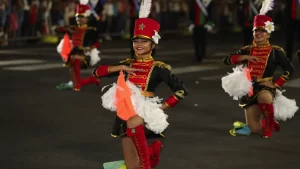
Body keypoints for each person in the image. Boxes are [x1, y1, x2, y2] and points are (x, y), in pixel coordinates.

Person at [93, 1, 188, 168]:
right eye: (136, 40)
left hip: (145, 112)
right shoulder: (127, 64)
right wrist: (121, 67)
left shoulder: (158, 68)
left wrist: (160, 108)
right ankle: (153, 150)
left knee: (133, 124)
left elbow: (181, 90)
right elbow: (97, 72)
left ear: (153, 44)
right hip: (125, 111)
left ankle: (147, 166)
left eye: (144, 41)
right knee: (132, 166)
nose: (139, 44)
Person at [222, 0, 297, 139]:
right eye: (256, 30)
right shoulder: (247, 50)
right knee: (254, 129)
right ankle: (269, 123)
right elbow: (226, 60)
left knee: (264, 96)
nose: (259, 33)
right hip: (250, 91)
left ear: (268, 34)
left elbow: (289, 70)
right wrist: (243, 57)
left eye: (263, 31)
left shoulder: (275, 51)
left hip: (266, 88)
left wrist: (276, 84)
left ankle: (268, 128)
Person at [55, 0, 101, 91]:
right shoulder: (74, 28)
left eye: (82, 17)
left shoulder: (90, 30)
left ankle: (78, 84)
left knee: (74, 58)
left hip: (86, 54)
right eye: (77, 17)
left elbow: (98, 42)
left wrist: (89, 49)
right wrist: (66, 28)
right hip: (75, 51)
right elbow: (57, 29)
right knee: (71, 63)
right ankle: (86, 81)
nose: (79, 19)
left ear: (87, 18)